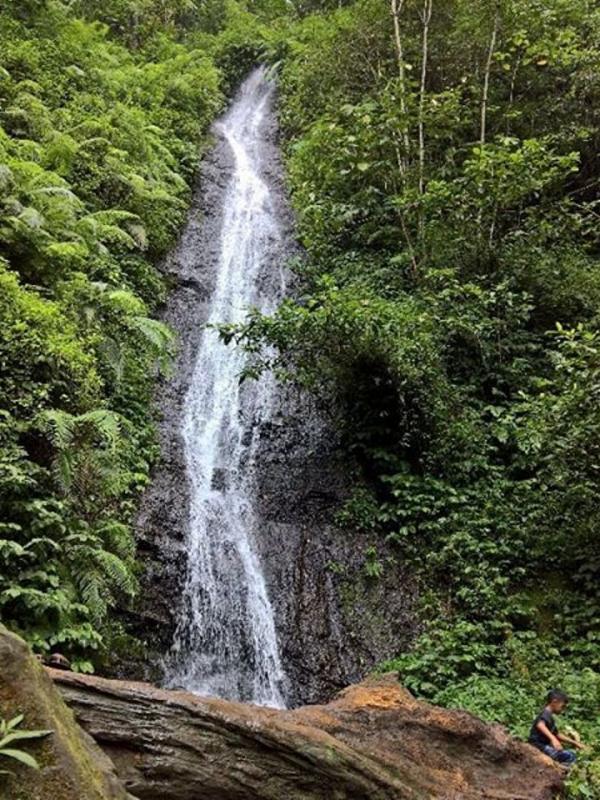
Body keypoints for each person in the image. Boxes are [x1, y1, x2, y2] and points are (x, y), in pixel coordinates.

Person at [528, 689, 585, 767]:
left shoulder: (549, 717)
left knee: (570, 753)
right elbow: (540, 725)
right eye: (562, 706)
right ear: (554, 702)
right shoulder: (545, 713)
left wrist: (575, 743)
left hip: (543, 746)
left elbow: (557, 734)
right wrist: (553, 739)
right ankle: (563, 773)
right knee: (571, 756)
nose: (563, 710)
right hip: (538, 745)